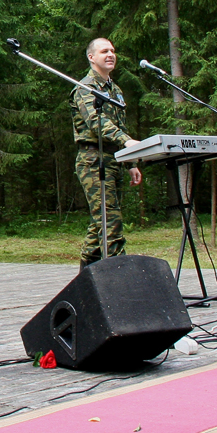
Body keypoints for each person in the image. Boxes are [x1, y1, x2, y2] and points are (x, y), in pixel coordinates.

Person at [71, 38, 142, 268]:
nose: (110, 54)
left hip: (114, 160)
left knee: (100, 221)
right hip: (93, 160)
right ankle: (117, 274)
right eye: (104, 51)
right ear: (91, 57)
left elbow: (121, 125)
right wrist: (126, 141)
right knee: (109, 219)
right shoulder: (84, 87)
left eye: (112, 50)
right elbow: (96, 122)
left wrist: (131, 163)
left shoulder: (115, 90)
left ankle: (86, 275)